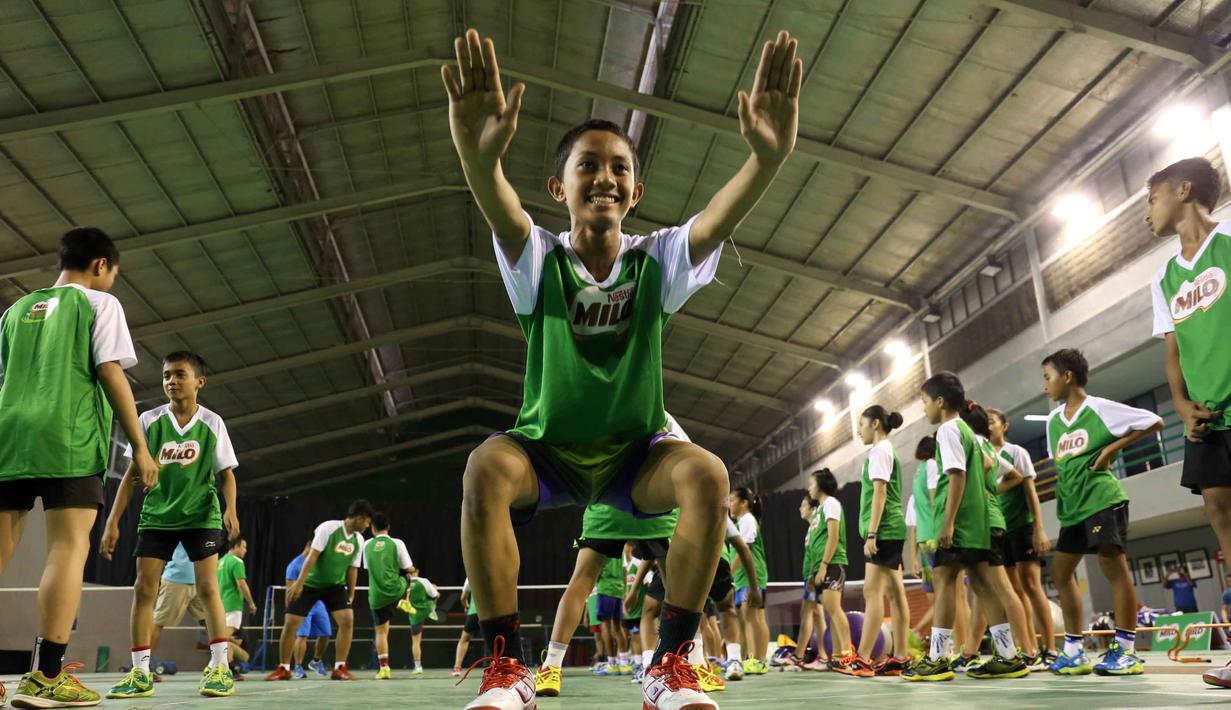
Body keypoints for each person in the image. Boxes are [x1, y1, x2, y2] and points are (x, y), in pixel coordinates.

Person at [442, 22, 802, 710]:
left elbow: (716, 221)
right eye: (588, 165)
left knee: (707, 473)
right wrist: (475, 155)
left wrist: (768, 158)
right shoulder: (537, 260)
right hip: (547, 450)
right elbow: (499, 209)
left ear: (634, 193)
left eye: (618, 169)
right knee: (485, 465)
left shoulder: (657, 261)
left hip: (637, 455)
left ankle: (669, 666)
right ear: (558, 187)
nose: (604, 176)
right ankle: (506, 668)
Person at [0, 227, 156, 708]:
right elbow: (111, 371)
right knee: (67, 549)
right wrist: (141, 448)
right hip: (66, 436)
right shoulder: (99, 304)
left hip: (9, 436)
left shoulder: (13, 311)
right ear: (101, 266)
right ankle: (45, 676)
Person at [100, 349, 241, 700]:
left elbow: (227, 475)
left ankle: (221, 668)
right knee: (143, 589)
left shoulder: (212, 423)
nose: (171, 381)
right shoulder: (149, 420)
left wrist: (231, 509)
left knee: (209, 589)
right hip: (158, 516)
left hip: (200, 516)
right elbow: (132, 475)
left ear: (199, 382)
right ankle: (140, 672)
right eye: (166, 376)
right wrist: (112, 521)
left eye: (179, 374)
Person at [1145, 156, 1231, 689]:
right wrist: (1178, 406)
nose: (1147, 211)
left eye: (1151, 198)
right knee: (1221, 513)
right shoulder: (1164, 277)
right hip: (1206, 420)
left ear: (1183, 189)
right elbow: (1173, 351)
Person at [1040, 349, 1163, 676]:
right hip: (1074, 508)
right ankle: (1074, 650)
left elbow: (1154, 421)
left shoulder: (1099, 408)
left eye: (1047, 377)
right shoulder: (1053, 422)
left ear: (1067, 377)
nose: (1045, 386)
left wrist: (1111, 448)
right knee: (1061, 573)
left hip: (1102, 498)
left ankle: (1125, 650)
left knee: (1113, 567)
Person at [902, 372, 1030, 682]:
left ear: (940, 401)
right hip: (977, 524)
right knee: (984, 586)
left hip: (959, 523)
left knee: (945, 582)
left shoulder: (947, 430)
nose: (924, 409)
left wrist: (946, 523)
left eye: (924, 402)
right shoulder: (969, 434)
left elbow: (957, 477)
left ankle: (936, 658)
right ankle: (1009, 655)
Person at [265, 500, 373, 681]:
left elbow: (352, 569)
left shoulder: (359, 540)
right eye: (367, 522)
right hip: (310, 584)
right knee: (291, 622)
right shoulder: (328, 528)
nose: (368, 526)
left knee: (347, 620)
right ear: (360, 518)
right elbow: (312, 556)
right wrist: (299, 583)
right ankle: (283, 668)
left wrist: (352, 593)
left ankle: (340, 668)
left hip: (334, 586)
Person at [987, 408, 1056, 669]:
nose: (988, 426)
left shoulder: (1016, 453)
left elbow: (1030, 492)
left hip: (1021, 526)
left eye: (992, 422)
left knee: (1031, 586)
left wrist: (1039, 527)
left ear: (1004, 426)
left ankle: (1050, 647)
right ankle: (1029, 648)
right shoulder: (984, 455)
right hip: (999, 530)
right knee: (1014, 591)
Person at [845, 405, 911, 677]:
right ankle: (900, 657)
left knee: (872, 593)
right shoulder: (885, 450)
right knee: (896, 594)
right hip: (892, 529)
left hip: (884, 531)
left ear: (874, 424)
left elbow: (880, 491)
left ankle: (862, 658)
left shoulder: (880, 450)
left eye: (861, 425)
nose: (859, 431)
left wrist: (872, 533)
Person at [805, 469, 855, 673]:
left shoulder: (832, 503)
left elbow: (833, 537)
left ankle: (848, 656)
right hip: (821, 566)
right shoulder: (818, 511)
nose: (809, 488)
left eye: (811, 483)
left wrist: (825, 565)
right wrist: (813, 572)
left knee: (834, 608)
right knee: (829, 610)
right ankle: (836, 656)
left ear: (821, 485)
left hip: (833, 563)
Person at [362, 513, 416, 680]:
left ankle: (384, 668)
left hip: (377, 596)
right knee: (410, 577)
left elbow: (366, 568)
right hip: (395, 590)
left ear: (372, 528)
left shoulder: (366, 545)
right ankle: (406, 600)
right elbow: (408, 568)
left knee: (381, 632)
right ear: (388, 527)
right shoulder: (396, 543)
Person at [149, 543, 208, 677]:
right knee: (158, 622)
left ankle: (222, 665)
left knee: (211, 622)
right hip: (175, 580)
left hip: (201, 581)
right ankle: (144, 667)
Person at [728, 488, 770, 676]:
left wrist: (729, 572)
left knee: (753, 616)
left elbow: (745, 548)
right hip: (741, 577)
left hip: (752, 574)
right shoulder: (738, 522)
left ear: (744, 503)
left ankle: (760, 660)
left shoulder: (747, 520)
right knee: (745, 618)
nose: (729, 503)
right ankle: (747, 658)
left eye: (732, 499)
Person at [285, 542, 331, 678]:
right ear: (309, 546)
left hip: (318, 604)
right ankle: (298, 666)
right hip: (302, 604)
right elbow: (290, 589)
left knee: (326, 634)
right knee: (302, 635)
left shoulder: (318, 562)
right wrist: (290, 609)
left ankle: (316, 661)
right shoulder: (294, 565)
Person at [217, 537, 256, 675]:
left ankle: (230, 667)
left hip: (220, 605)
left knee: (223, 638)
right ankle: (221, 667)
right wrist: (251, 602)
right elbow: (241, 583)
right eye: (243, 547)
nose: (245, 550)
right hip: (233, 606)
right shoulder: (237, 561)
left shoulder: (219, 562)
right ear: (236, 546)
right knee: (222, 638)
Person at [795, 495, 826, 668]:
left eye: (803, 504)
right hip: (809, 575)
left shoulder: (816, 523)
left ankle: (798, 655)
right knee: (817, 614)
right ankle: (823, 655)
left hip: (812, 575)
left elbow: (817, 549)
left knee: (807, 612)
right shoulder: (811, 526)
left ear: (811, 507)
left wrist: (813, 573)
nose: (800, 508)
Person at [407, 570, 441, 675]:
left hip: (414, 614)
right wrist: (434, 588)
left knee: (416, 642)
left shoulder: (404, 583)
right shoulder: (423, 581)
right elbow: (435, 595)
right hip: (426, 608)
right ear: (416, 571)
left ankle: (418, 667)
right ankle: (433, 609)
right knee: (435, 591)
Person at [453, 579, 480, 677]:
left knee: (464, 639)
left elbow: (463, 597)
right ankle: (497, 667)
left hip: (474, 612)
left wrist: (467, 606)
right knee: (495, 639)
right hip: (492, 612)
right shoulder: (496, 572)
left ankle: (457, 667)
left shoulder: (470, 574)